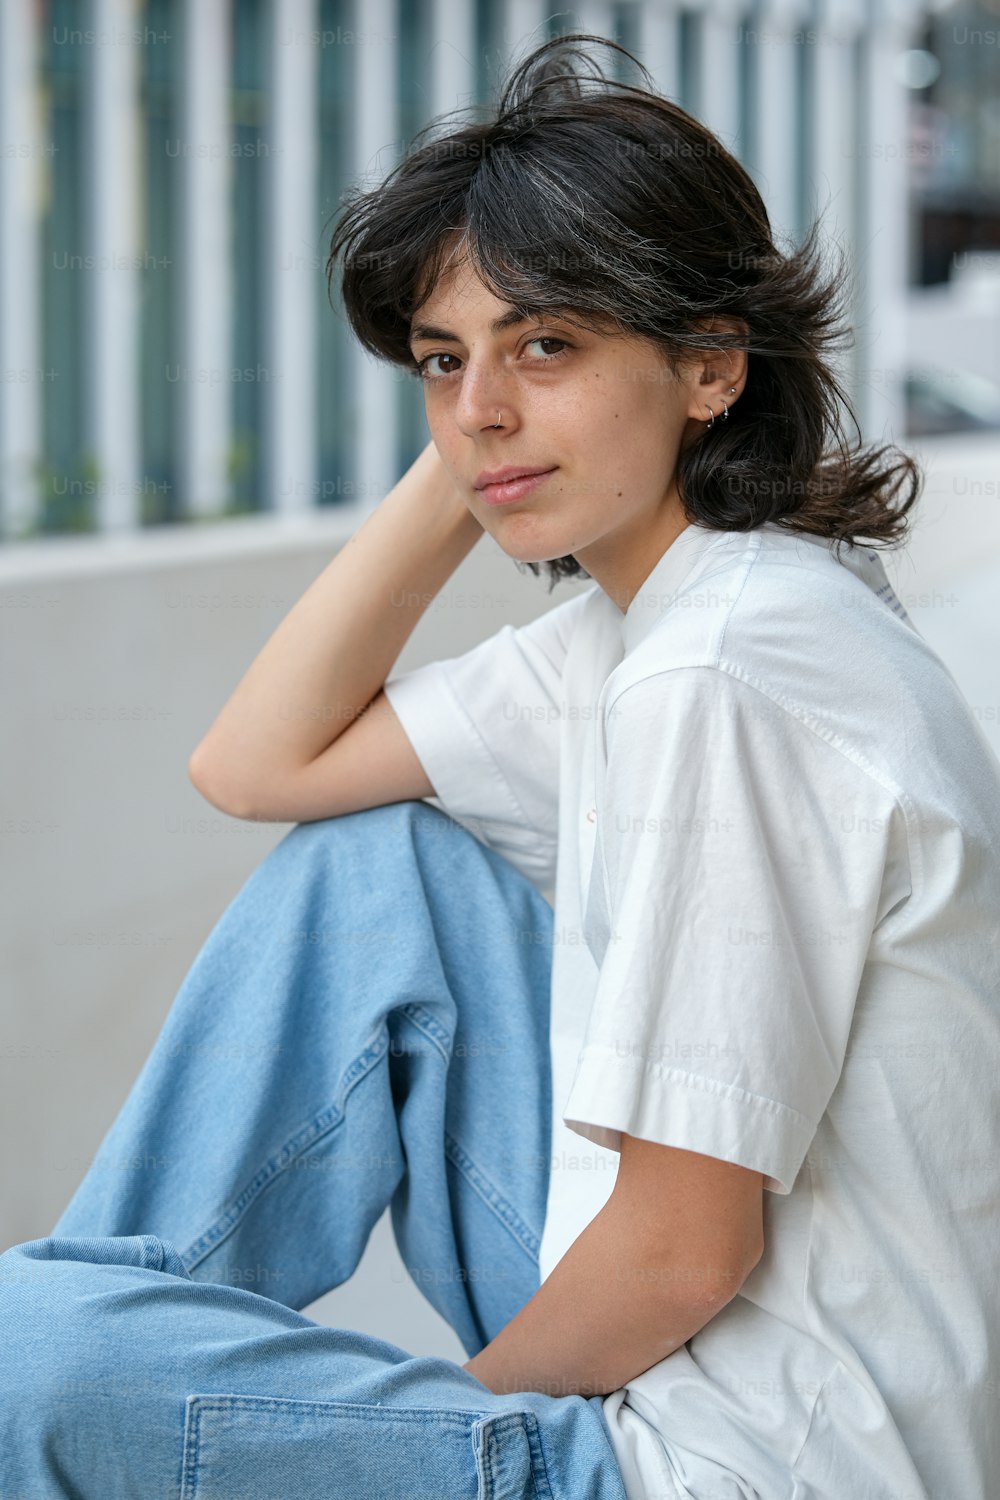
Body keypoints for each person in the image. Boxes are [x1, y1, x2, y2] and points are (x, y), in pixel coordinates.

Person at [3, 30, 999, 1500]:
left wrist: (430, 1430)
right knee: (385, 858)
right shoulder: (646, 624)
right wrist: (495, 444)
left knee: (25, 1355)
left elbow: (683, 1250)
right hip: (699, 1373)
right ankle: (116, 1345)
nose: (476, 406)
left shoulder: (730, 669)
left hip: (756, 1465)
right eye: (440, 362)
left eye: (550, 343)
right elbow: (256, 762)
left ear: (710, 363)